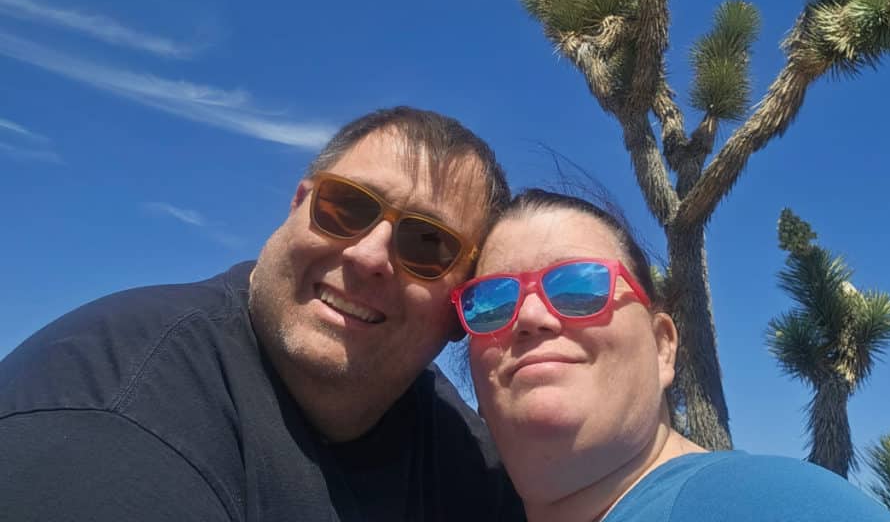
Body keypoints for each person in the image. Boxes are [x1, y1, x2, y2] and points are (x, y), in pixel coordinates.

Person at [0, 106, 525, 522]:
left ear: (464, 307)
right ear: (298, 205)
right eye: (347, 207)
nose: (368, 256)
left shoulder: (460, 448)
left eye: (427, 244)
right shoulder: (110, 417)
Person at [453, 188, 890, 521]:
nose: (530, 314)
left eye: (579, 287)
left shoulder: (771, 505)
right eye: (489, 303)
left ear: (663, 346)